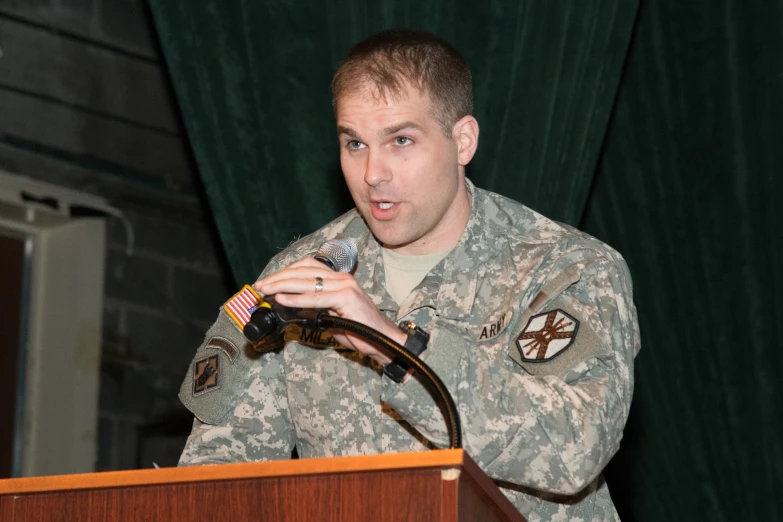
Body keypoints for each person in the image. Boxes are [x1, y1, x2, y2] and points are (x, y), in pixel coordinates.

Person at [178, 28, 640, 521]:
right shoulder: (297, 279)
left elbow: (576, 447)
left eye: (400, 140)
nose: (373, 172)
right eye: (354, 143)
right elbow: (213, 479)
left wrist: (392, 346)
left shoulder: (565, 268)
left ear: (463, 140)